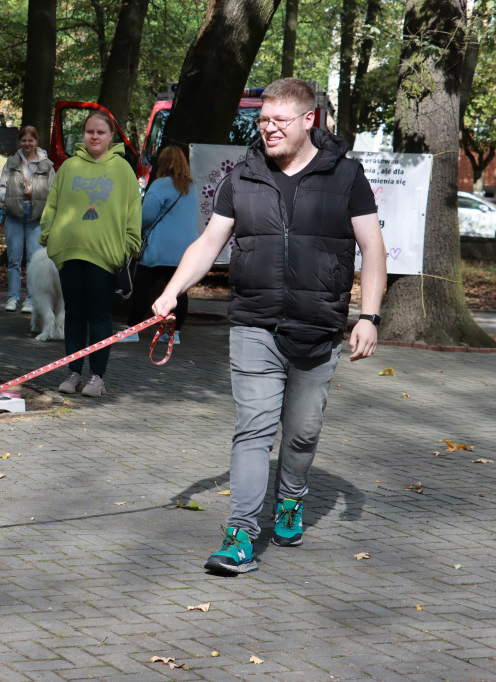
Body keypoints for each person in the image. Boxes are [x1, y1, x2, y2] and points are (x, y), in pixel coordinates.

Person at [150, 78, 387, 575]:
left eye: (280, 120)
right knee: (253, 430)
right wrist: (173, 292)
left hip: (318, 327)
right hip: (254, 324)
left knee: (301, 434)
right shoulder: (243, 176)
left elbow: (373, 250)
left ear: (309, 120)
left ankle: (292, 498)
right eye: (263, 120)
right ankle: (240, 533)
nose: (269, 129)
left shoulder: (346, 177)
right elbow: (208, 243)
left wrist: (368, 315)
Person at [39, 111, 141, 397]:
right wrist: (49, 236)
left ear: (111, 137)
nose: (94, 137)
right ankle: (73, 373)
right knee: (73, 315)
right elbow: (52, 205)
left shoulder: (123, 170)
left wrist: (129, 245)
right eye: (89, 132)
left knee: (99, 317)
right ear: (83, 135)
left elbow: (134, 211)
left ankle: (97, 376)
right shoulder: (69, 167)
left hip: (105, 256)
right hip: (69, 254)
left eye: (101, 132)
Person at [125, 146, 198, 344]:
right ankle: (174, 333)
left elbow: (146, 216)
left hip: (159, 250)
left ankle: (132, 330)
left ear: (163, 163)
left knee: (141, 288)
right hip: (185, 250)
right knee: (179, 291)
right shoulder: (191, 188)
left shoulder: (160, 185)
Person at [0, 125, 55, 313]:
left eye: (31, 140)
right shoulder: (12, 162)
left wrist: (34, 193)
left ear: (36, 141)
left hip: (36, 216)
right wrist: (10, 198)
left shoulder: (47, 165)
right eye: (24, 140)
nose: (27, 144)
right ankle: (13, 298)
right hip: (14, 214)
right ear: (19, 142)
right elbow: (1, 187)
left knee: (33, 259)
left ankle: (30, 300)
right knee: (14, 259)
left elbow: (54, 191)